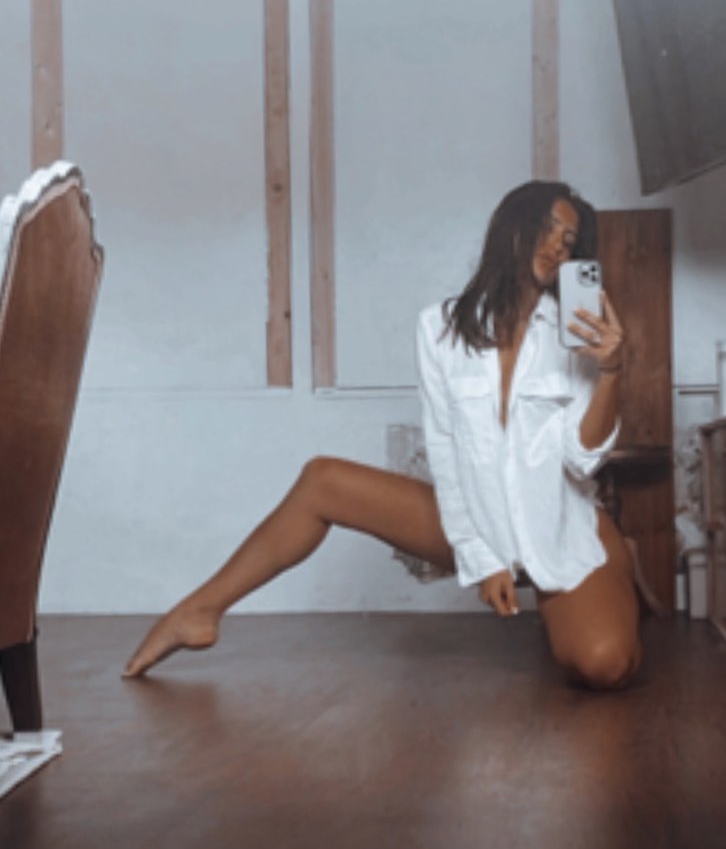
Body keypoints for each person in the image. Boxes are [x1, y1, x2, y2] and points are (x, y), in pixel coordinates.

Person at [123, 180, 642, 690]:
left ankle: (609, 581)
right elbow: (445, 454)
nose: (556, 246)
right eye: (546, 228)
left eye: (568, 240)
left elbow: (582, 458)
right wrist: (482, 559)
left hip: (559, 527)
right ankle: (197, 612)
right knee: (323, 480)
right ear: (511, 228)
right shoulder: (440, 329)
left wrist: (612, 370)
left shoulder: (579, 335)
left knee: (604, 664)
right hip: (479, 521)